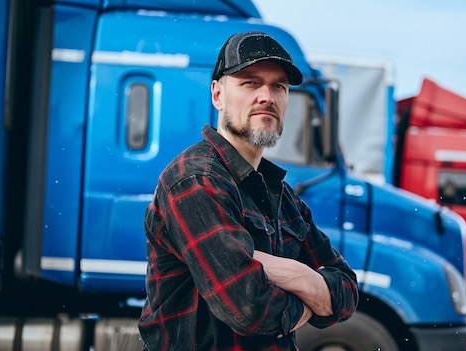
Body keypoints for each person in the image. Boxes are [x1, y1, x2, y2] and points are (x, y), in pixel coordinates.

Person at [138, 31, 359, 351]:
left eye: (279, 86)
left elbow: (347, 289)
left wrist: (293, 274)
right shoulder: (195, 180)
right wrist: (313, 299)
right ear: (217, 95)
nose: (267, 96)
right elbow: (248, 308)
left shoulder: (284, 198)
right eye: (250, 83)